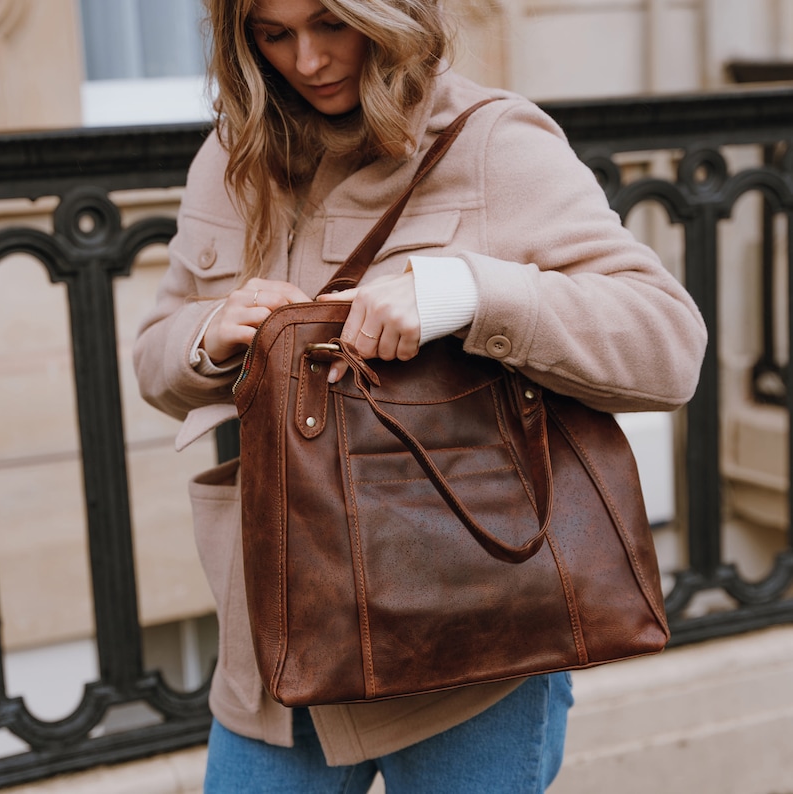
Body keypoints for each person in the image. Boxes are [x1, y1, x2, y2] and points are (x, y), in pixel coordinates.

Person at [133, 0, 707, 790]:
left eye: (331, 24)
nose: (307, 61)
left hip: (464, 653)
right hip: (274, 649)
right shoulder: (232, 157)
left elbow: (667, 342)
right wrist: (209, 334)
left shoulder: (489, 141)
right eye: (275, 34)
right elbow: (152, 355)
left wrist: (467, 293)